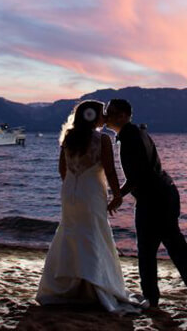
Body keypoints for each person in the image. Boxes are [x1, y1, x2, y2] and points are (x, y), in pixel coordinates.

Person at [36, 101, 144, 313]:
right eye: (102, 113)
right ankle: (95, 286)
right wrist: (117, 195)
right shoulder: (102, 139)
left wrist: (73, 186)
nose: (105, 116)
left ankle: (71, 286)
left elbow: (62, 169)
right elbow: (110, 171)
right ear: (92, 116)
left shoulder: (69, 138)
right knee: (93, 234)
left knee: (71, 233)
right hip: (92, 192)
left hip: (71, 192)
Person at [106, 98, 187, 308]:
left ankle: (153, 297)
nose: (107, 115)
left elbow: (138, 174)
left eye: (112, 112)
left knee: (149, 249)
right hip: (162, 194)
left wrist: (118, 196)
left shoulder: (131, 137)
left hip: (155, 198)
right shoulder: (136, 133)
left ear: (124, 115)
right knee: (169, 245)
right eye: (107, 112)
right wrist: (120, 194)